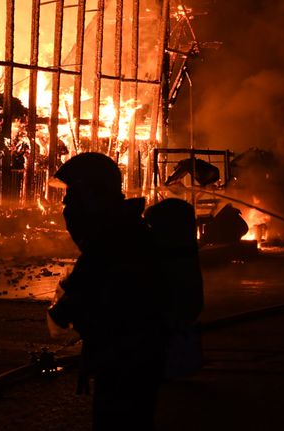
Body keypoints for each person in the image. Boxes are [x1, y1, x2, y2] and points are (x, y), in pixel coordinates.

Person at [47, 153, 168, 430]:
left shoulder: (117, 239)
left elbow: (105, 291)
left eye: (73, 194)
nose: (66, 204)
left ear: (94, 195)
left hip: (128, 359)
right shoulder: (120, 232)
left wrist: (68, 308)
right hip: (128, 357)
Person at [144, 198, 204, 379]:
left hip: (171, 299)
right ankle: (179, 363)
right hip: (189, 297)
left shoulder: (165, 244)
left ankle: (170, 365)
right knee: (180, 330)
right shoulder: (186, 240)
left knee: (169, 331)